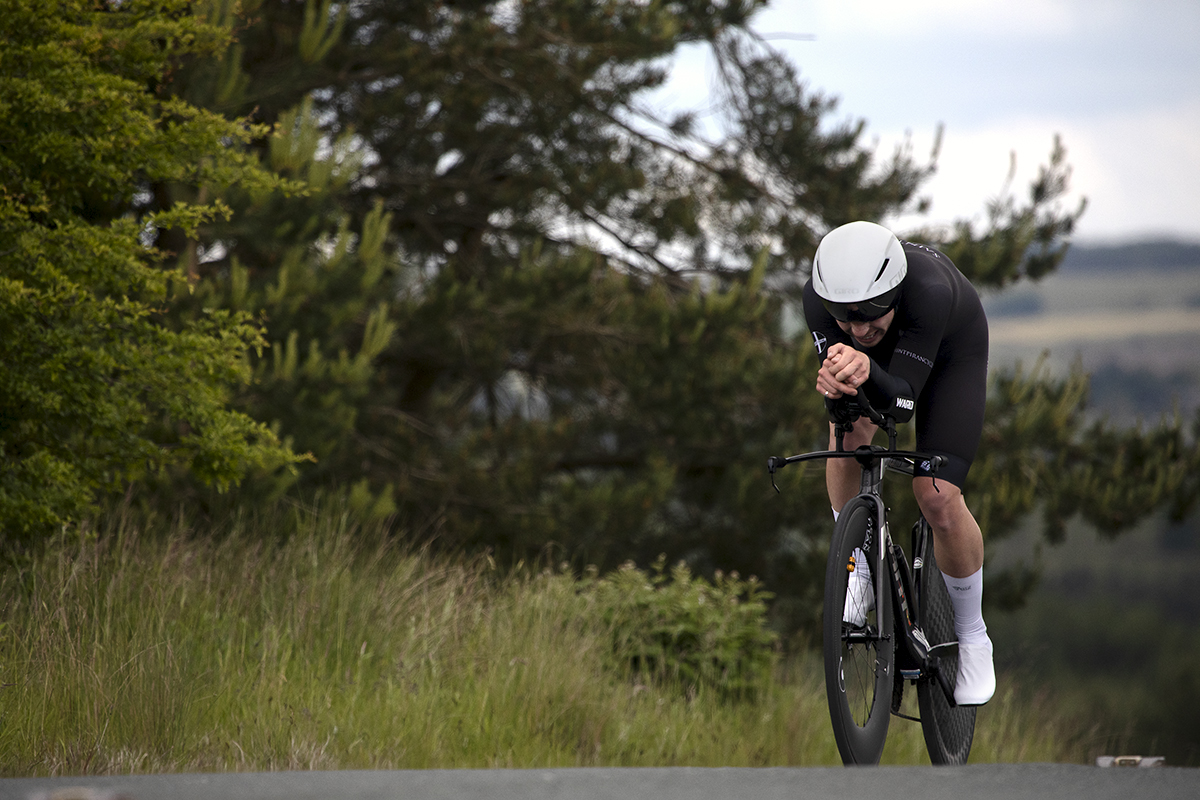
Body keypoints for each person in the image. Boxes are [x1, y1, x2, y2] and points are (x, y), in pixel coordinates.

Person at [801, 220, 995, 706]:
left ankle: (973, 634)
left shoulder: (927, 291)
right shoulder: (817, 301)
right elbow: (849, 401)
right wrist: (837, 388)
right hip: (888, 363)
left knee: (937, 496)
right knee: (846, 429)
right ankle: (859, 565)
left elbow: (902, 406)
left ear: (892, 290)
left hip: (949, 351)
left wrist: (868, 366)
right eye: (846, 321)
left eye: (870, 317)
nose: (860, 330)